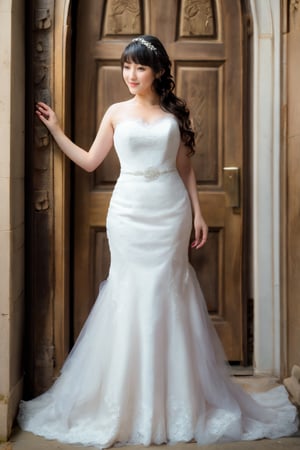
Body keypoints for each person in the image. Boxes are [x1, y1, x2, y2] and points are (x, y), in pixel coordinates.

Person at [18, 35, 298, 448]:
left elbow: (185, 168)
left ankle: (176, 402)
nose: (131, 75)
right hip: (128, 213)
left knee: (169, 294)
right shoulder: (115, 113)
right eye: (127, 66)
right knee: (130, 293)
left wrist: (199, 212)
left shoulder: (171, 112)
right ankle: (128, 402)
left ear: (159, 71)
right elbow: (91, 161)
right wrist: (57, 130)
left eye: (140, 67)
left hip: (170, 212)